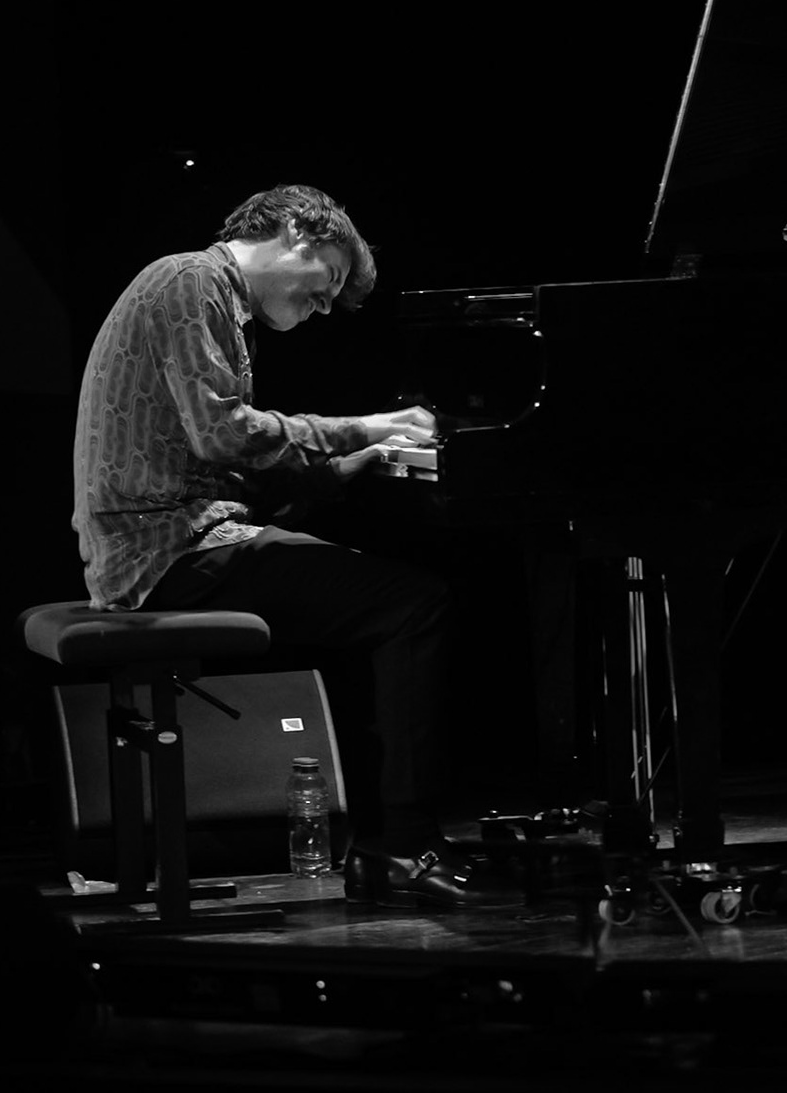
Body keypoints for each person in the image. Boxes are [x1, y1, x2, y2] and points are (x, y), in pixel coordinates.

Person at [71, 183, 519, 909]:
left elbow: (219, 459)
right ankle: (400, 845)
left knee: (375, 600)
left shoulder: (207, 294)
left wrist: (338, 471)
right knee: (413, 605)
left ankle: (379, 842)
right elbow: (225, 434)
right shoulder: (191, 280)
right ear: (296, 235)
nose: (321, 307)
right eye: (326, 283)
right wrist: (365, 428)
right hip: (163, 551)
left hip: (172, 538)